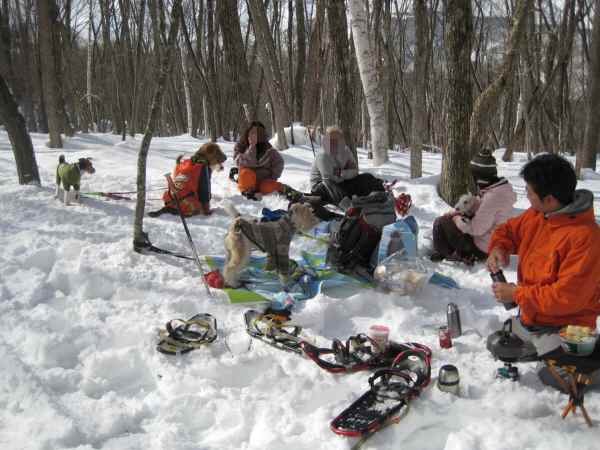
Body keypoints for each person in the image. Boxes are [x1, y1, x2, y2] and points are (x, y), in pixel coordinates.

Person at [487, 153, 600, 357]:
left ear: (549, 199)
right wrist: (499, 248)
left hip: (568, 328)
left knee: (552, 373)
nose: (527, 196)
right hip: (533, 318)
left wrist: (517, 294)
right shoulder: (540, 214)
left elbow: (566, 297)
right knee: (496, 345)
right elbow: (508, 231)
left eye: (529, 192)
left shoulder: (585, 237)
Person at [430, 148, 517, 264]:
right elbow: (482, 206)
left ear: (480, 176)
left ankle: (449, 254)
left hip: (484, 248)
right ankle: (456, 252)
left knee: (440, 222)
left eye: (474, 176)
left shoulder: (492, 197)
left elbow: (476, 228)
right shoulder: (498, 190)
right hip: (493, 243)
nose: (474, 180)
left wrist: (456, 219)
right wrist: (460, 212)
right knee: (449, 221)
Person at [309, 126, 385, 207]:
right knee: (333, 186)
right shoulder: (323, 155)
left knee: (367, 177)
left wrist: (341, 172)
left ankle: (380, 197)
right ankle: (351, 206)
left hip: (342, 182)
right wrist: (347, 170)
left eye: (339, 139)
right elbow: (331, 179)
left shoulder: (345, 150)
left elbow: (355, 172)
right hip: (322, 188)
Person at [234, 121, 287, 200]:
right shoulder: (241, 146)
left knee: (268, 186)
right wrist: (252, 147)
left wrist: (272, 177)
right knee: (245, 174)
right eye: (253, 133)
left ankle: (286, 190)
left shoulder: (268, 148)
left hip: (264, 181)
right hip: (248, 181)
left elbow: (279, 162)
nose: (255, 136)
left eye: (259, 133)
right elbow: (240, 162)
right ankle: (249, 194)